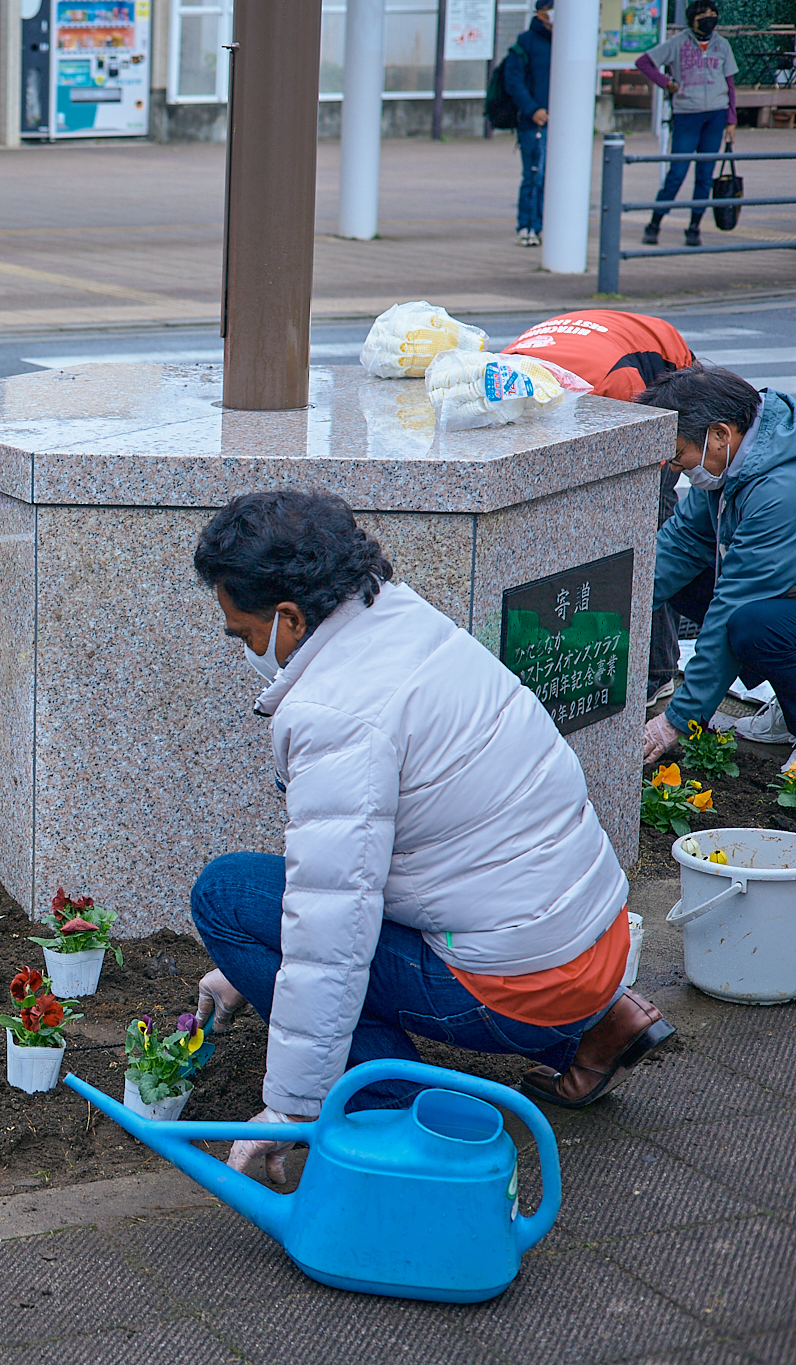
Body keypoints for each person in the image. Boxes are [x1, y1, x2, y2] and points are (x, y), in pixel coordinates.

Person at [187, 489, 671, 1182]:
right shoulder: (402, 619)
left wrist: (290, 1107)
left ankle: (400, 1105)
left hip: (520, 988)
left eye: (243, 632)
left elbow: (333, 935)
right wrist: (254, 964)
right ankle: (598, 1023)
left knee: (227, 894)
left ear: (289, 617)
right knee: (272, 907)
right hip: (597, 943)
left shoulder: (336, 711)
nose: (245, 648)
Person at [501, 311, 699, 704]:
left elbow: (647, 463)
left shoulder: (617, 387)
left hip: (659, 366)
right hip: (595, 345)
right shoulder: (505, 380)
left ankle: (656, 671)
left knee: (648, 534)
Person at [640, 366, 796, 770]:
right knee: (686, 582)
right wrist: (610, 610)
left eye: (678, 455)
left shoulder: (780, 488)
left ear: (721, 433)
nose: (675, 469)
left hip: (772, 603)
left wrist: (678, 718)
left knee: (752, 625)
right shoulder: (737, 460)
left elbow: (734, 601)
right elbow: (681, 544)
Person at [639, 0, 739, 249]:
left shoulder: (722, 45)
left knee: (705, 177)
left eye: (713, 15)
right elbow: (644, 62)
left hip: (715, 114)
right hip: (687, 114)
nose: (710, 19)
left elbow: (730, 83)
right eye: (704, 15)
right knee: (677, 173)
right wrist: (667, 83)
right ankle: (655, 223)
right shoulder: (678, 42)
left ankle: (694, 227)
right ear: (692, 19)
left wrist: (731, 118)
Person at [505, 0, 553, 248]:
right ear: (540, 12)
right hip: (533, 122)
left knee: (551, 177)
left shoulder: (567, 41)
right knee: (534, 174)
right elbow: (513, 80)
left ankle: (544, 224)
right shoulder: (526, 42)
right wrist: (532, 109)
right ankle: (527, 225)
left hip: (560, 124)